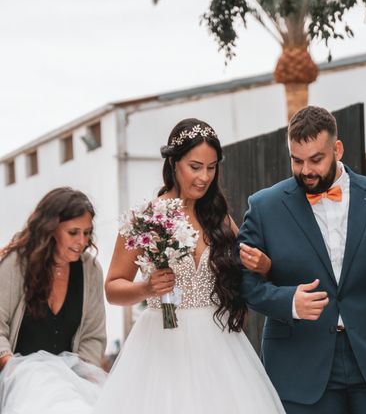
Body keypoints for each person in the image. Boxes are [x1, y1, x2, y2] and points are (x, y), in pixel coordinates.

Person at [238, 106, 366, 413]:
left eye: (316, 159)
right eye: (297, 160)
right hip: (300, 366)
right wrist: (289, 301)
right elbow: (242, 282)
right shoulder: (264, 207)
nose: (306, 170)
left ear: (337, 149)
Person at [93, 118, 285, 414]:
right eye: (195, 167)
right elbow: (113, 288)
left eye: (211, 168)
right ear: (173, 163)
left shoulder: (220, 218)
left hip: (219, 343)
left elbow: (251, 268)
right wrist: (145, 288)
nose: (204, 177)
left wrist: (264, 265)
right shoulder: (145, 218)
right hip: (161, 344)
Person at [0, 187, 107, 414]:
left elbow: (93, 335)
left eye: (87, 233)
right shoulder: (15, 264)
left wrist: (86, 380)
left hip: (70, 380)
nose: (82, 241)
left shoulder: (90, 270)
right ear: (50, 229)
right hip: (16, 378)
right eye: (73, 232)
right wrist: (13, 370)